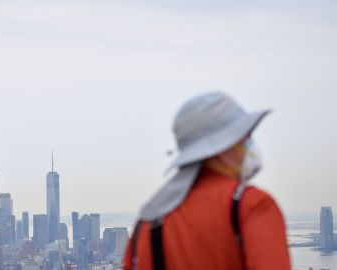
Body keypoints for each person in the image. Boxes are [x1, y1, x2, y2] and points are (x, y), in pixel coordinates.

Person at [123, 92, 290, 270]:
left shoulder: (147, 221)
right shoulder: (252, 205)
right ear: (224, 147)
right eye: (244, 138)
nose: (248, 147)